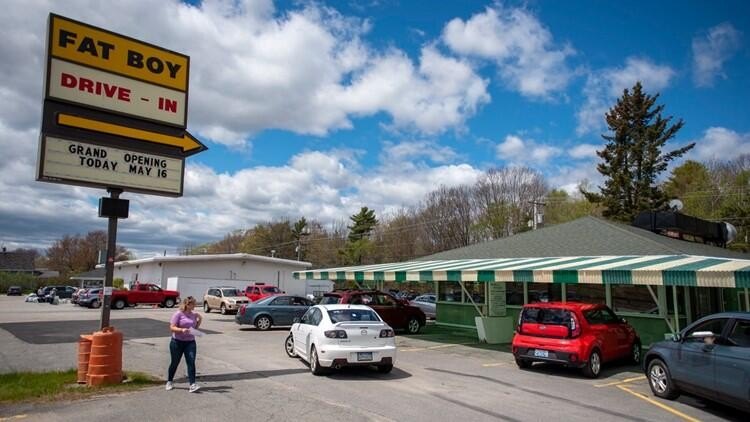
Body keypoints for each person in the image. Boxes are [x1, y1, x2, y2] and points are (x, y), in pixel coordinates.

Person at [166, 296, 202, 393]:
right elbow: (172, 327)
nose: (195, 305)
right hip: (177, 342)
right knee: (175, 362)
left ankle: (192, 384)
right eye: (193, 304)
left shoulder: (193, 315)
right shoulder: (178, 314)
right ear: (187, 304)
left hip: (190, 342)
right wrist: (181, 330)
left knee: (191, 361)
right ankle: (169, 381)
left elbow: (195, 328)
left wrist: (200, 319)